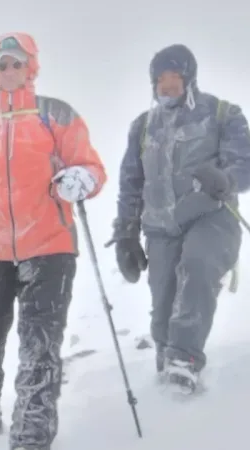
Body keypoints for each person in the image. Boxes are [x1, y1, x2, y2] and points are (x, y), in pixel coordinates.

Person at [0, 33, 106, 450]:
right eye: (2, 64)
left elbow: (91, 167)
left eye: (17, 63)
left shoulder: (56, 115)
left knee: (39, 347)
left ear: (31, 66)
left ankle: (32, 434)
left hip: (50, 247)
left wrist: (80, 178)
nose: (9, 71)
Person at [109, 44, 250, 394]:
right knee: (163, 306)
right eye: (160, 79)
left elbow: (245, 164)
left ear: (189, 78)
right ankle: (167, 363)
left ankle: (184, 360)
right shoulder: (143, 127)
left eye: (174, 77)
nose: (166, 85)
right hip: (161, 229)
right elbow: (130, 182)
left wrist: (226, 179)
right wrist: (126, 233)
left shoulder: (222, 113)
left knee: (198, 265)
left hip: (212, 216)